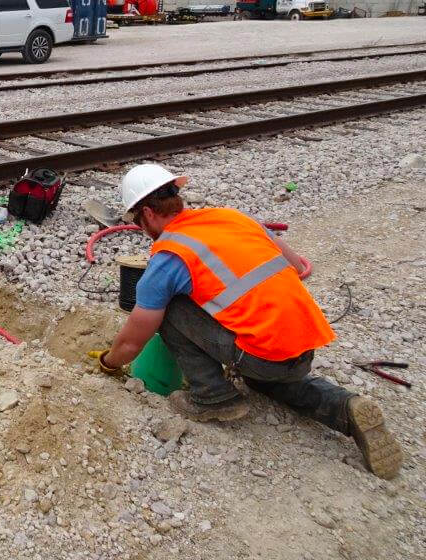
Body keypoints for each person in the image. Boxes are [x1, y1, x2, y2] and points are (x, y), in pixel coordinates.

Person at [88, 163, 402, 480]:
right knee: (275, 382)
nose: (139, 227)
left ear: (148, 213)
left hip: (263, 355)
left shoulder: (171, 255)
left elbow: (132, 341)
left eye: (135, 219)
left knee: (168, 307)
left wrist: (108, 362)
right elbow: (293, 265)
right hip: (304, 343)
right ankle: (346, 409)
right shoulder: (230, 217)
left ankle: (212, 396)